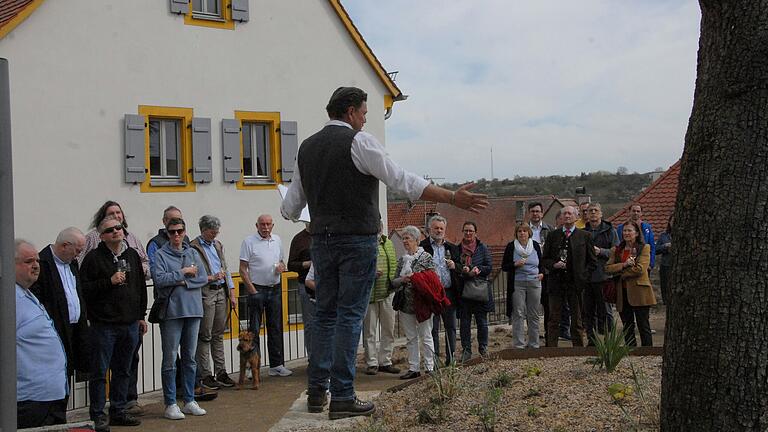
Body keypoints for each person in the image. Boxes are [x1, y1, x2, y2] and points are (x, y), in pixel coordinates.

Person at [280, 86, 488, 419]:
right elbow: (401, 180)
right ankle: (344, 395)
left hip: (322, 240)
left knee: (325, 315)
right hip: (356, 240)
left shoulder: (306, 148)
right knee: (349, 314)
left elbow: (290, 207)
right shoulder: (359, 142)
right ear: (350, 111)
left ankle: (318, 391)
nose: (365, 119)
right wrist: (451, 198)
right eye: (363, 112)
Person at [79, 201, 150, 416]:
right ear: (101, 236)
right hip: (104, 325)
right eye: (110, 230)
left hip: (129, 323)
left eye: (118, 228)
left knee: (123, 370)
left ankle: (119, 410)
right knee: (100, 372)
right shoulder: (93, 258)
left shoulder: (131, 255)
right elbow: (85, 288)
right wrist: (108, 281)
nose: (116, 232)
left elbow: (140, 287)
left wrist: (141, 316)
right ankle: (98, 414)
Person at [151, 217, 209, 420]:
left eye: (180, 231)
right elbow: (159, 279)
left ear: (185, 231)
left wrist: (183, 282)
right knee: (170, 358)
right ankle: (170, 402)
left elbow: (202, 278)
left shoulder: (192, 252)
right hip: (172, 312)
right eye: (172, 231)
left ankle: (190, 399)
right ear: (167, 233)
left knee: (190, 359)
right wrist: (183, 273)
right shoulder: (160, 254)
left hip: (193, 310)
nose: (176, 235)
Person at [15, 240, 68, 429]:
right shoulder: (10, 299)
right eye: (28, 261)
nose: (36, 265)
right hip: (29, 399)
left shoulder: (26, 293)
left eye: (37, 260)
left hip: (50, 395)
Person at [31, 228, 91, 379]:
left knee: (68, 376)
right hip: (54, 330)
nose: (78, 254)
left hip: (75, 329)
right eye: (77, 250)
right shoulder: (41, 263)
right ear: (65, 245)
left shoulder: (72, 264)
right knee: (55, 376)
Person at [239, 214, 292, 377]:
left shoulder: (277, 240)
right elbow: (242, 269)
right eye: (262, 224)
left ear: (273, 225)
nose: (265, 227)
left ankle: (276, 365)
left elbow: (282, 261)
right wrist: (252, 290)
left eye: (268, 224)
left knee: (275, 326)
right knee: (254, 329)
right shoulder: (249, 242)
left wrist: (281, 267)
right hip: (257, 289)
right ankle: (251, 367)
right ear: (257, 225)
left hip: (275, 288)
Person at [190, 215, 237, 389]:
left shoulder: (217, 245)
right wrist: (210, 277)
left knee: (218, 334)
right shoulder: (194, 247)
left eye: (216, 231)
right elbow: (193, 273)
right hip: (206, 292)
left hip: (221, 291)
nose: (215, 235)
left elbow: (225, 268)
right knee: (205, 334)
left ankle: (221, 372)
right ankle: (206, 374)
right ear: (203, 230)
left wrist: (231, 292)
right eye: (212, 232)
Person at [541, 206, 596, 347]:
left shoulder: (585, 236)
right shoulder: (553, 235)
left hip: (576, 284)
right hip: (556, 283)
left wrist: (583, 277)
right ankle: (551, 349)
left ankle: (578, 349)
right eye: (564, 213)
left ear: (576, 216)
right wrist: (554, 265)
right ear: (560, 217)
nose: (567, 216)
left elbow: (592, 262)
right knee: (554, 318)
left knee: (577, 320)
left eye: (570, 213)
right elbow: (544, 259)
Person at [391, 225, 436, 379]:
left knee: (426, 335)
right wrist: (402, 280)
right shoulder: (403, 260)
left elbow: (433, 279)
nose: (404, 241)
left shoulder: (426, 257)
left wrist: (417, 279)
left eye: (407, 238)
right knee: (410, 337)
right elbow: (393, 281)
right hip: (405, 304)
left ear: (417, 240)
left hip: (422, 303)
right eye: (403, 238)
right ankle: (414, 368)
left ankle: (430, 367)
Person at [605, 220, 656, 346]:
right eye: (624, 231)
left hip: (640, 292)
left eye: (629, 230)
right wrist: (623, 265)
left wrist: (621, 274)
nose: (626, 233)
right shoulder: (616, 250)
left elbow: (640, 269)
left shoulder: (644, 248)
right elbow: (607, 268)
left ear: (637, 233)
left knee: (643, 325)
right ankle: (630, 350)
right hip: (622, 293)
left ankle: (647, 351)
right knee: (627, 326)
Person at [420, 215, 460, 365]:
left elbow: (460, 267)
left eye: (441, 228)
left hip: (448, 292)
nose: (439, 231)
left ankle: (451, 358)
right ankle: (434, 360)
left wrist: (455, 266)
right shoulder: (422, 247)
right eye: (436, 228)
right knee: (433, 329)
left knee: (450, 327)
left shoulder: (452, 248)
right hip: (431, 294)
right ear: (430, 229)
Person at [362, 223, 400, 375]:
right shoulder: (364, 243)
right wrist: (370, 273)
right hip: (369, 294)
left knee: (388, 329)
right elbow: (358, 266)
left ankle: (385, 361)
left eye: (379, 226)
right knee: (369, 331)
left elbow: (394, 264)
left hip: (387, 292)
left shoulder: (388, 243)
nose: (378, 229)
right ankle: (371, 362)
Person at [78, 200, 150, 276]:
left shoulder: (132, 237)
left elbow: (145, 261)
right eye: (111, 214)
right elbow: (79, 262)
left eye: (118, 212)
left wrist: (144, 269)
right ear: (103, 217)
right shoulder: (92, 237)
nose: (116, 216)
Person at [581, 202, 619, 343]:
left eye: (595, 210)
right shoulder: (583, 232)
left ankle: (609, 341)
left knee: (605, 311)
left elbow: (616, 252)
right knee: (589, 311)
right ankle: (592, 340)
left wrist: (601, 251)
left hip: (604, 275)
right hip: (588, 277)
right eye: (590, 211)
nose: (592, 213)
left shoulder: (610, 231)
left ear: (601, 213)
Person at [502, 223, 544, 349]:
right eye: (519, 231)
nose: (522, 233)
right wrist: (515, 264)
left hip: (534, 282)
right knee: (518, 313)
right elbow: (504, 266)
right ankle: (519, 344)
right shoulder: (511, 247)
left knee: (533, 313)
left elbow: (541, 262)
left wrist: (541, 273)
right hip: (517, 283)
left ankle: (534, 344)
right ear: (516, 234)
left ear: (529, 233)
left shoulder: (535, 245)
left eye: (524, 231)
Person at [457, 221, 493, 362]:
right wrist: (463, 269)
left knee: (482, 322)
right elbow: (455, 265)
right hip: (464, 291)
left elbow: (489, 266)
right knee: (465, 323)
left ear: (475, 233)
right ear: (462, 232)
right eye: (466, 230)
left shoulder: (482, 248)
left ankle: (483, 348)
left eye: (471, 231)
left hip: (480, 290)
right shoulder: (457, 248)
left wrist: (478, 269)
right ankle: (466, 350)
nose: (468, 233)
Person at [288, 224, 315, 357]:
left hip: (325, 286)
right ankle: (312, 357)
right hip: (305, 285)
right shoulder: (299, 239)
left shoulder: (323, 236)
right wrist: (308, 263)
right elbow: (291, 264)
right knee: (310, 323)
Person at [528, 202, 553, 340]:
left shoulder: (549, 229)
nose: (535, 214)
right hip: (531, 273)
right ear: (529, 213)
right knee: (532, 308)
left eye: (538, 211)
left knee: (548, 306)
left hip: (548, 273)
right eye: (532, 211)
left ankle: (550, 337)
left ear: (542, 213)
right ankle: (534, 338)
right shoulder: (524, 230)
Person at [617, 204, 656, 271]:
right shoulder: (621, 227)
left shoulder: (647, 228)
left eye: (638, 211)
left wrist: (651, 264)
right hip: (626, 260)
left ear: (641, 213)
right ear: (629, 212)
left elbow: (652, 246)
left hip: (643, 260)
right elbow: (618, 244)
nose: (636, 213)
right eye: (634, 211)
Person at [656, 216, 673, 305]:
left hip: (678, 266)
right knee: (665, 287)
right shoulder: (664, 235)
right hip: (666, 265)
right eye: (672, 220)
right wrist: (665, 246)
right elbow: (656, 249)